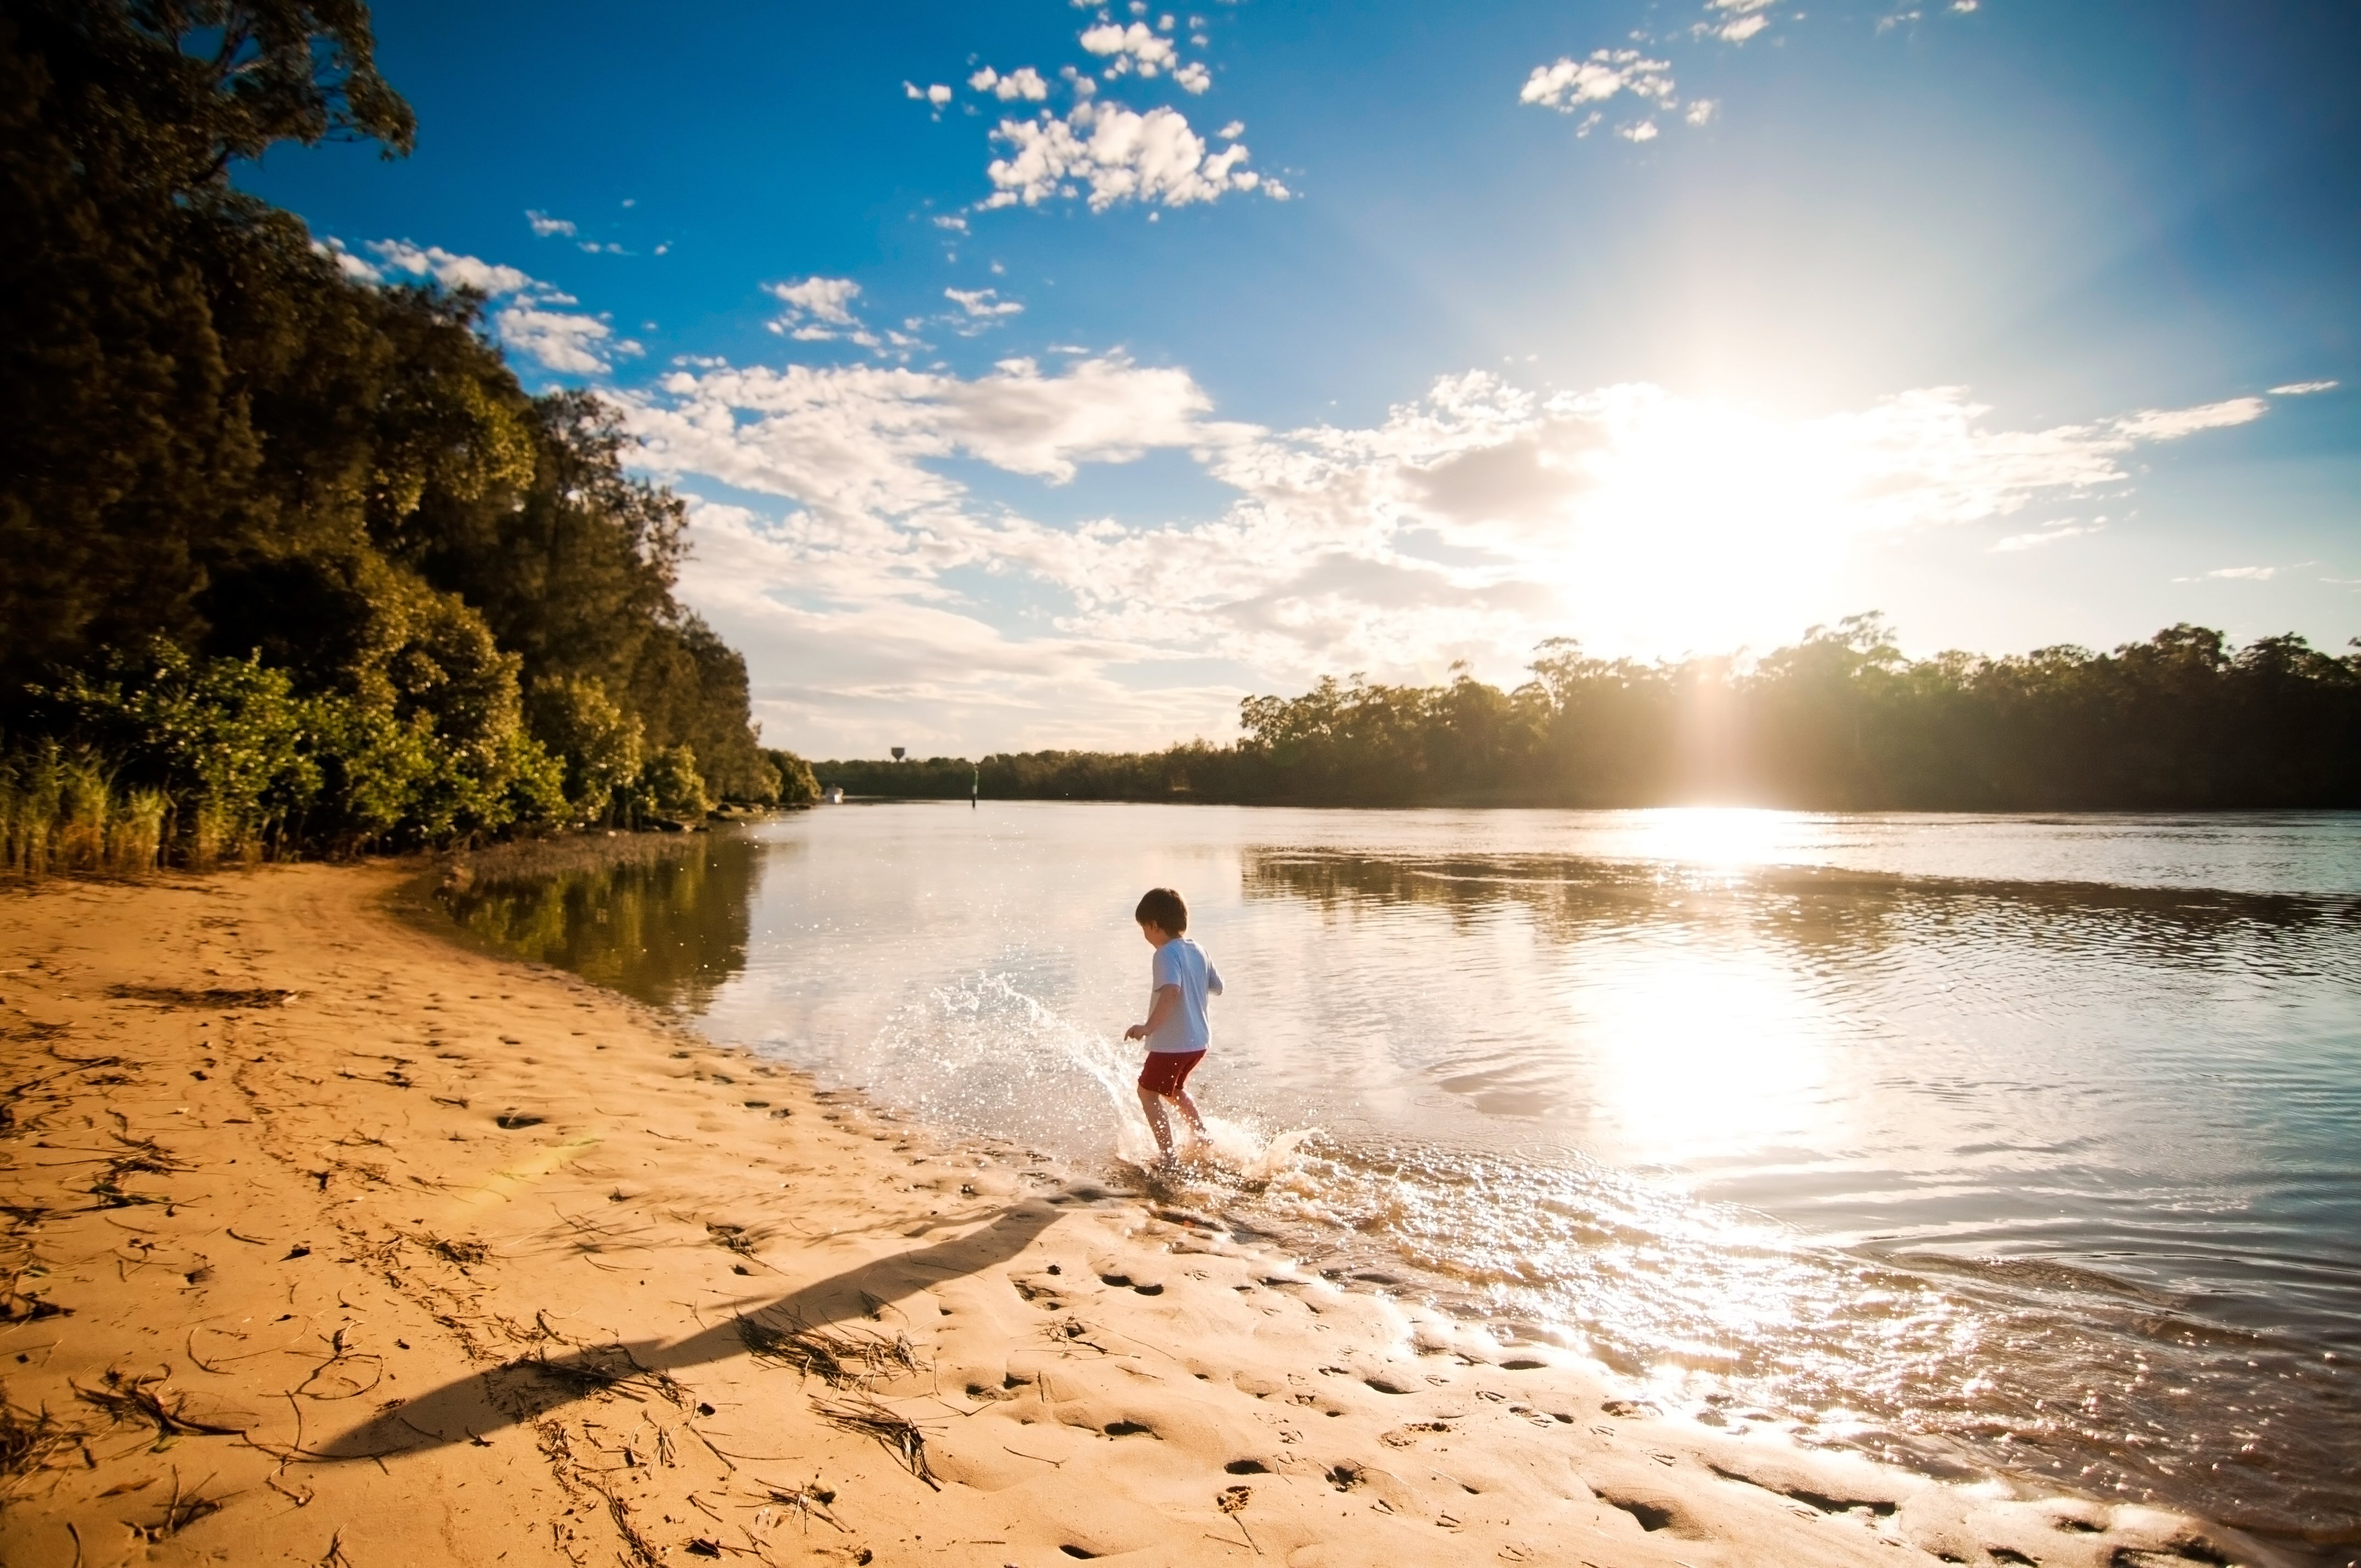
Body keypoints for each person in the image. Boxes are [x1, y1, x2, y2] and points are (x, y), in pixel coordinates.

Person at [1122, 886, 1222, 1165]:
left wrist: (1148, 1027)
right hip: (1198, 1043)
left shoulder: (1165, 954)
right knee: (1173, 1090)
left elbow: (1171, 992)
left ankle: (1168, 1157)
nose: (1145, 936)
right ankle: (1203, 1136)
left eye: (1144, 928)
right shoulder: (1199, 950)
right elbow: (1218, 987)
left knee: (1147, 1092)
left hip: (1173, 1045)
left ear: (1154, 925)